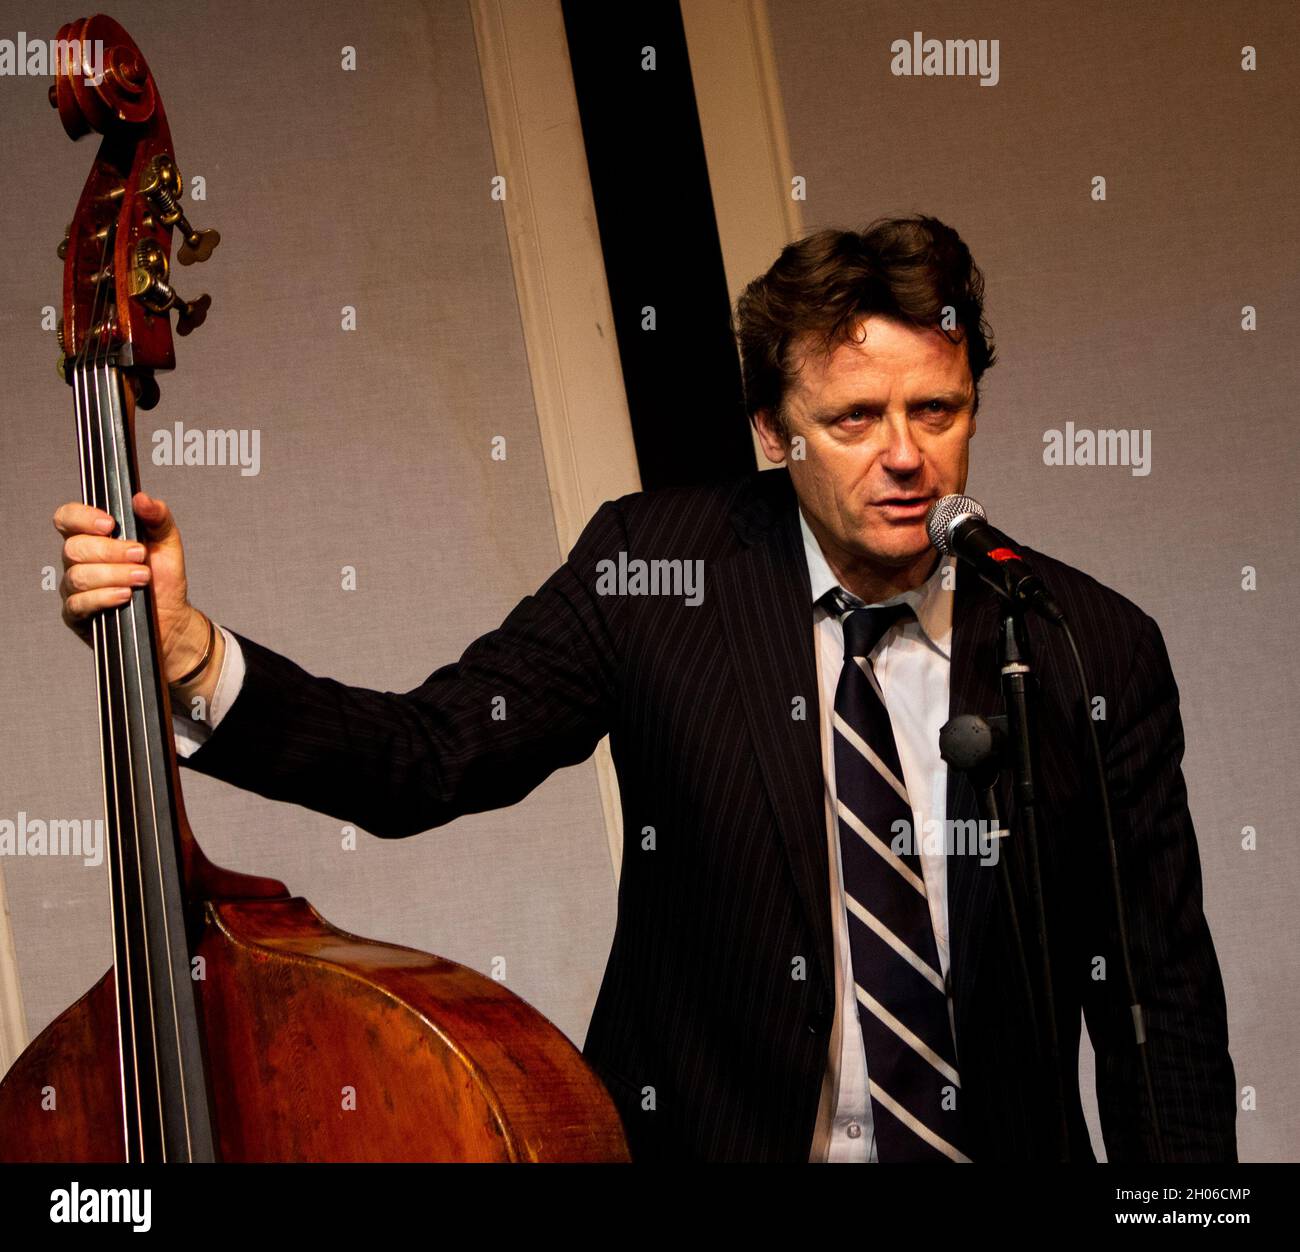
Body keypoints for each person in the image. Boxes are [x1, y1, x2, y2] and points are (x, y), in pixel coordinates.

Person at [54, 215, 1236, 1163]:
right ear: (776, 431)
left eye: (938, 409)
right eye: (854, 418)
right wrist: (196, 657)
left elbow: (1159, 1003)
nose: (906, 457)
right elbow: (425, 755)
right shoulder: (653, 572)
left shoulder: (1085, 643)